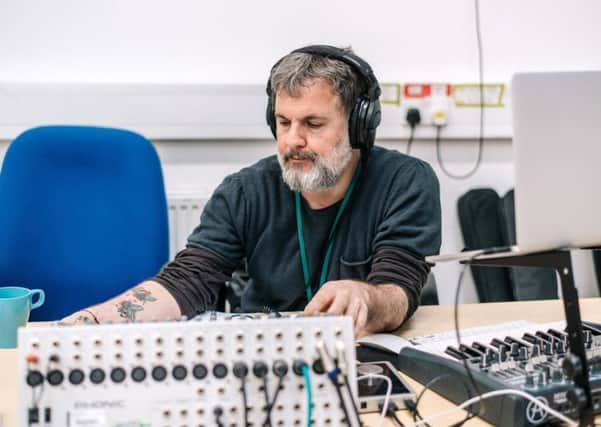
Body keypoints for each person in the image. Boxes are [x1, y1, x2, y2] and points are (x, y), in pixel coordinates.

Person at [62, 45, 441, 337]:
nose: (293, 139)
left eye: (313, 123)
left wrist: (365, 297)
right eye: (283, 121)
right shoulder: (243, 192)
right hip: (266, 354)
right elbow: (189, 280)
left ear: (360, 127)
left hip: (364, 352)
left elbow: (398, 289)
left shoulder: (406, 182)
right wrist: (94, 321)